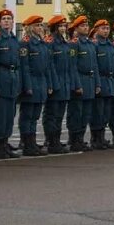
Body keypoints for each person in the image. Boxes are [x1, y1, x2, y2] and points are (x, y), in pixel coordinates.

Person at [0, 8, 23, 159]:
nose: (7, 21)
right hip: (1, 78)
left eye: (9, 19)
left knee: (10, 115)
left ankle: (5, 144)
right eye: (4, 19)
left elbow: (19, 63)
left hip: (13, 78)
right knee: (0, 116)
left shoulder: (14, 40)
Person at [17, 15, 51, 156]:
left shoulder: (41, 43)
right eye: (37, 25)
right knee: (27, 115)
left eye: (41, 25)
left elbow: (46, 66)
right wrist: (27, 86)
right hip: (30, 80)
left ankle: (32, 142)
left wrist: (48, 84)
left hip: (40, 81)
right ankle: (26, 143)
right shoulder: (26, 43)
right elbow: (24, 66)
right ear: (30, 27)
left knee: (35, 115)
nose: (40, 28)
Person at [65, 15, 96, 152]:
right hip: (80, 81)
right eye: (82, 26)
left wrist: (97, 84)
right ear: (76, 28)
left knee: (86, 114)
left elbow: (94, 66)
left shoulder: (90, 44)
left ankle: (81, 139)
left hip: (89, 81)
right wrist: (77, 85)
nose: (85, 27)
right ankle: (74, 140)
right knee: (76, 113)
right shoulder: (74, 43)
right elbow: (72, 66)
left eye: (87, 25)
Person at [42, 15, 72, 154]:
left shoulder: (64, 42)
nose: (63, 28)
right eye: (60, 26)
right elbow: (49, 65)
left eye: (64, 26)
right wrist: (53, 84)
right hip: (55, 83)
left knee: (59, 115)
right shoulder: (50, 42)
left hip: (64, 82)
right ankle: (51, 141)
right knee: (51, 114)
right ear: (54, 28)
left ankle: (56, 140)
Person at [91, 19, 114, 150]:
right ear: (96, 30)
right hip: (100, 80)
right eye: (103, 28)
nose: (106, 31)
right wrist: (97, 84)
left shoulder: (110, 46)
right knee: (98, 112)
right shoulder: (95, 45)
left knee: (106, 113)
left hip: (109, 81)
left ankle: (102, 137)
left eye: (107, 28)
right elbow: (94, 66)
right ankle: (96, 138)